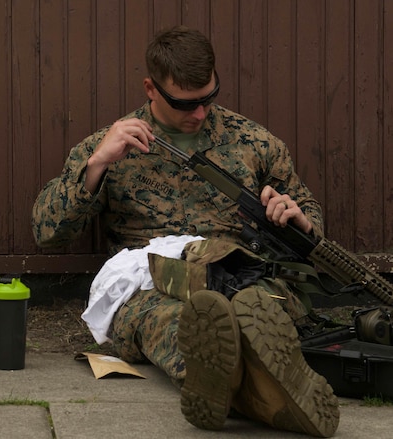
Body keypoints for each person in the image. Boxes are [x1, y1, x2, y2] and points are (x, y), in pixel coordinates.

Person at [32, 25, 339, 437]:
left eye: (208, 99)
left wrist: (298, 219)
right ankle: (271, 391)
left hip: (242, 275)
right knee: (190, 325)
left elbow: (310, 220)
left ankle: (244, 389)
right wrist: (96, 166)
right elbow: (47, 232)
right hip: (153, 288)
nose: (199, 114)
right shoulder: (112, 145)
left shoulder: (253, 143)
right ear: (150, 88)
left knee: (258, 307)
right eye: (184, 104)